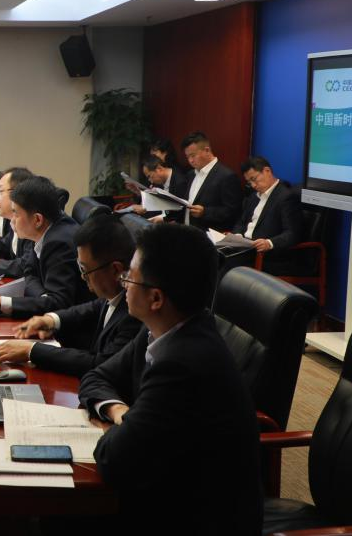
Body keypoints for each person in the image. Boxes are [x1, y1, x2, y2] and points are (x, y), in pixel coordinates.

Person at [77, 222, 262, 535]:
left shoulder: (183, 365)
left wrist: (123, 428)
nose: (123, 284)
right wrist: (119, 412)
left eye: (129, 277)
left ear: (156, 298)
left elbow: (113, 460)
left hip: (192, 519)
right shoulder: (161, 330)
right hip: (168, 493)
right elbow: (97, 375)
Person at [0, 214, 142, 377]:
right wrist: (51, 320)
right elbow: (93, 308)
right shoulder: (115, 293)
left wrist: (31, 350)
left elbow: (100, 364)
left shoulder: (135, 310)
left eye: (85, 269)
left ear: (115, 270)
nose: (82, 277)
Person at [0, 176, 91, 318]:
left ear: (37, 219)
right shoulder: (41, 230)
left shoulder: (59, 243)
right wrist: (42, 297)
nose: (12, 221)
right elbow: (29, 272)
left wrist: (1, 302)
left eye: (16, 213)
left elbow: (58, 303)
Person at [181, 131, 243, 232]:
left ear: (207, 150)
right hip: (187, 232)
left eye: (193, 155)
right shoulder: (191, 174)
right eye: (187, 157)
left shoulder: (226, 176)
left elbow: (233, 212)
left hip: (209, 235)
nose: (190, 160)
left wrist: (205, 212)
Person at [127, 155, 191, 221]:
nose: (150, 181)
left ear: (159, 169)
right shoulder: (159, 182)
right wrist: (140, 195)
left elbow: (180, 210)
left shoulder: (180, 182)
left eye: (150, 176)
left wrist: (162, 219)